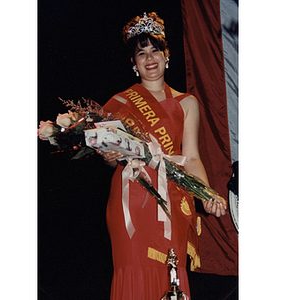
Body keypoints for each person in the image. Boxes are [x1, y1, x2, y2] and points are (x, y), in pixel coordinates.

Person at [97, 12, 227, 300]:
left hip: (174, 197)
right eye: (141, 53)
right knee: (133, 270)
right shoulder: (118, 103)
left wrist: (206, 194)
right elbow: (109, 155)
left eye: (155, 50)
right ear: (134, 63)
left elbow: (191, 157)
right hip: (131, 199)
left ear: (167, 55)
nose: (149, 58)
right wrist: (108, 156)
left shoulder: (188, 103)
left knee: (171, 275)